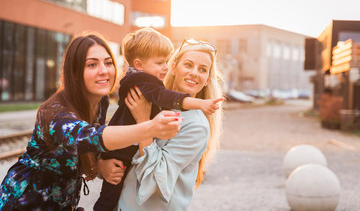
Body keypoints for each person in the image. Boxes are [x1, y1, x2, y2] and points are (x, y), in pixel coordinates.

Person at [0, 32, 182, 211]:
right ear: (75, 72)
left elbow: (85, 150)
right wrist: (149, 127)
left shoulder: (100, 102)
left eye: (108, 62)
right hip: (25, 203)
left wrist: (99, 164)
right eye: (92, 64)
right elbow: (87, 137)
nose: (103, 70)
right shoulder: (55, 113)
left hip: (62, 203)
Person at [94, 28, 223, 211]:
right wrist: (102, 165)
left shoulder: (196, 125)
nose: (195, 73)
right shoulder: (152, 101)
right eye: (188, 65)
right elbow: (123, 150)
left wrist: (143, 122)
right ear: (174, 66)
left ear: (207, 79)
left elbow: (154, 181)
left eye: (202, 69)